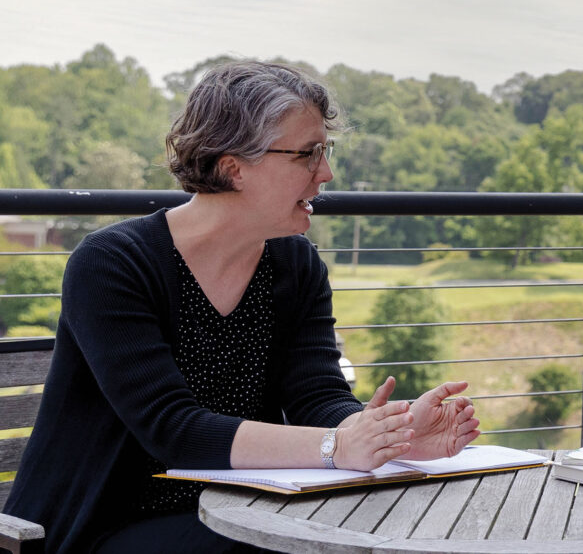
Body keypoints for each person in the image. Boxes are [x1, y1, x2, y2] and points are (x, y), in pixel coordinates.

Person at [2, 61, 481, 554]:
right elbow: (173, 430)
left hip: (241, 511)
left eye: (326, 150)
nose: (327, 173)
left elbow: (316, 397)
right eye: (308, 154)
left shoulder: (295, 264)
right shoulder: (112, 264)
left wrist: (392, 436)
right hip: (96, 528)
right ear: (233, 168)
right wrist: (335, 449)